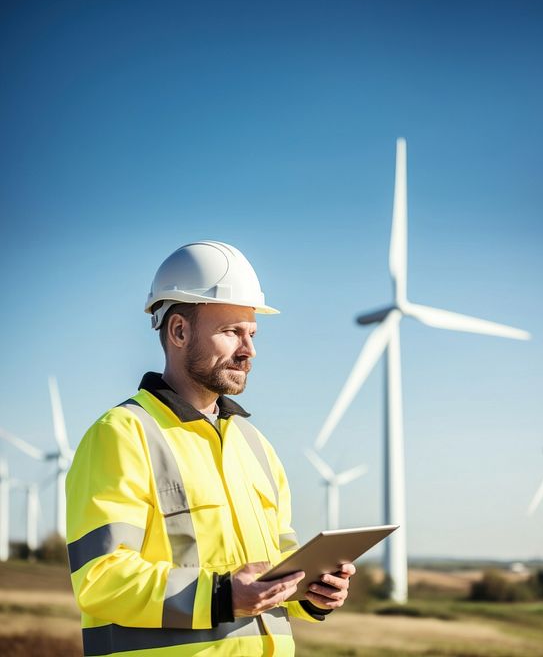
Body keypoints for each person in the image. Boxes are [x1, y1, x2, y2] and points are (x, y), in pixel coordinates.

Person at [66, 240, 355, 657]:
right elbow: (101, 579)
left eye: (252, 334)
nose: (249, 350)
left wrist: (312, 590)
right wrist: (222, 596)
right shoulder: (122, 434)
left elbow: (277, 565)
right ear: (179, 331)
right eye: (231, 332)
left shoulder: (254, 444)